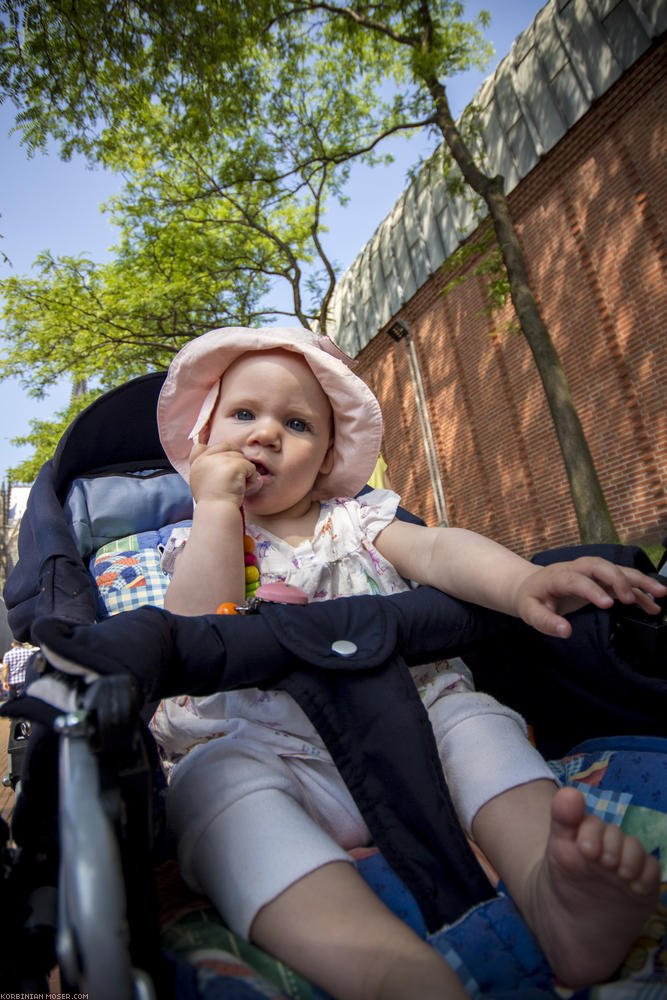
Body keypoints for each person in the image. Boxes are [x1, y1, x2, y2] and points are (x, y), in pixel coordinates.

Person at [151, 326, 664, 1000]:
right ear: (202, 439)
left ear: (328, 455)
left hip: (411, 723)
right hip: (267, 750)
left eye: (297, 423)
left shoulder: (356, 520)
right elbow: (195, 627)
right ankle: (380, 964)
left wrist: (517, 583)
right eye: (244, 415)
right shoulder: (197, 539)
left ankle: (553, 891)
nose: (267, 434)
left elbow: (439, 550)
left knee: (476, 719)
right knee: (206, 785)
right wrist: (215, 505)